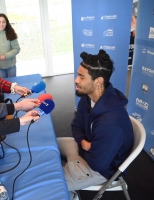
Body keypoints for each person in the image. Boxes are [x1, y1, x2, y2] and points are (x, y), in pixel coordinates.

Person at [57, 50, 134, 199]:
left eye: (81, 77)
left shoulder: (110, 124)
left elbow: (98, 164)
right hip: (85, 150)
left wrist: (84, 146)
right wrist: (83, 142)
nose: (75, 80)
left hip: (99, 169)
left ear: (98, 81)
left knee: (51, 185)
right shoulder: (87, 98)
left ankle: (71, 195)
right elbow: (76, 126)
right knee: (50, 145)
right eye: (77, 75)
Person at [0, 13, 20, 78]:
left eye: (3, 22)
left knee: (12, 85)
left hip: (11, 66)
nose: (1, 24)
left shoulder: (11, 33)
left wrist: (6, 56)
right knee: (3, 86)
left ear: (6, 23)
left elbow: (17, 49)